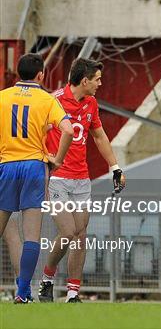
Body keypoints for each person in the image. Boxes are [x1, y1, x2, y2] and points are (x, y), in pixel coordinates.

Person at [38, 58, 126, 303]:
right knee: (68, 231)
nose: (100, 83)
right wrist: (45, 159)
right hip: (57, 177)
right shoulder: (53, 100)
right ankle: (47, 278)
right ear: (84, 80)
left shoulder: (91, 103)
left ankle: (73, 293)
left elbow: (99, 136)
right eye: (97, 79)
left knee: (81, 234)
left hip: (81, 178)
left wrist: (115, 167)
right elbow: (37, 132)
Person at [0, 53, 74, 304]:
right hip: (33, 166)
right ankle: (23, 293)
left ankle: (22, 291)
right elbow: (68, 130)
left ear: (18, 73)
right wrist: (59, 159)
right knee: (32, 234)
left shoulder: (2, 96)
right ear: (41, 74)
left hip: (6, 165)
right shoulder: (46, 99)